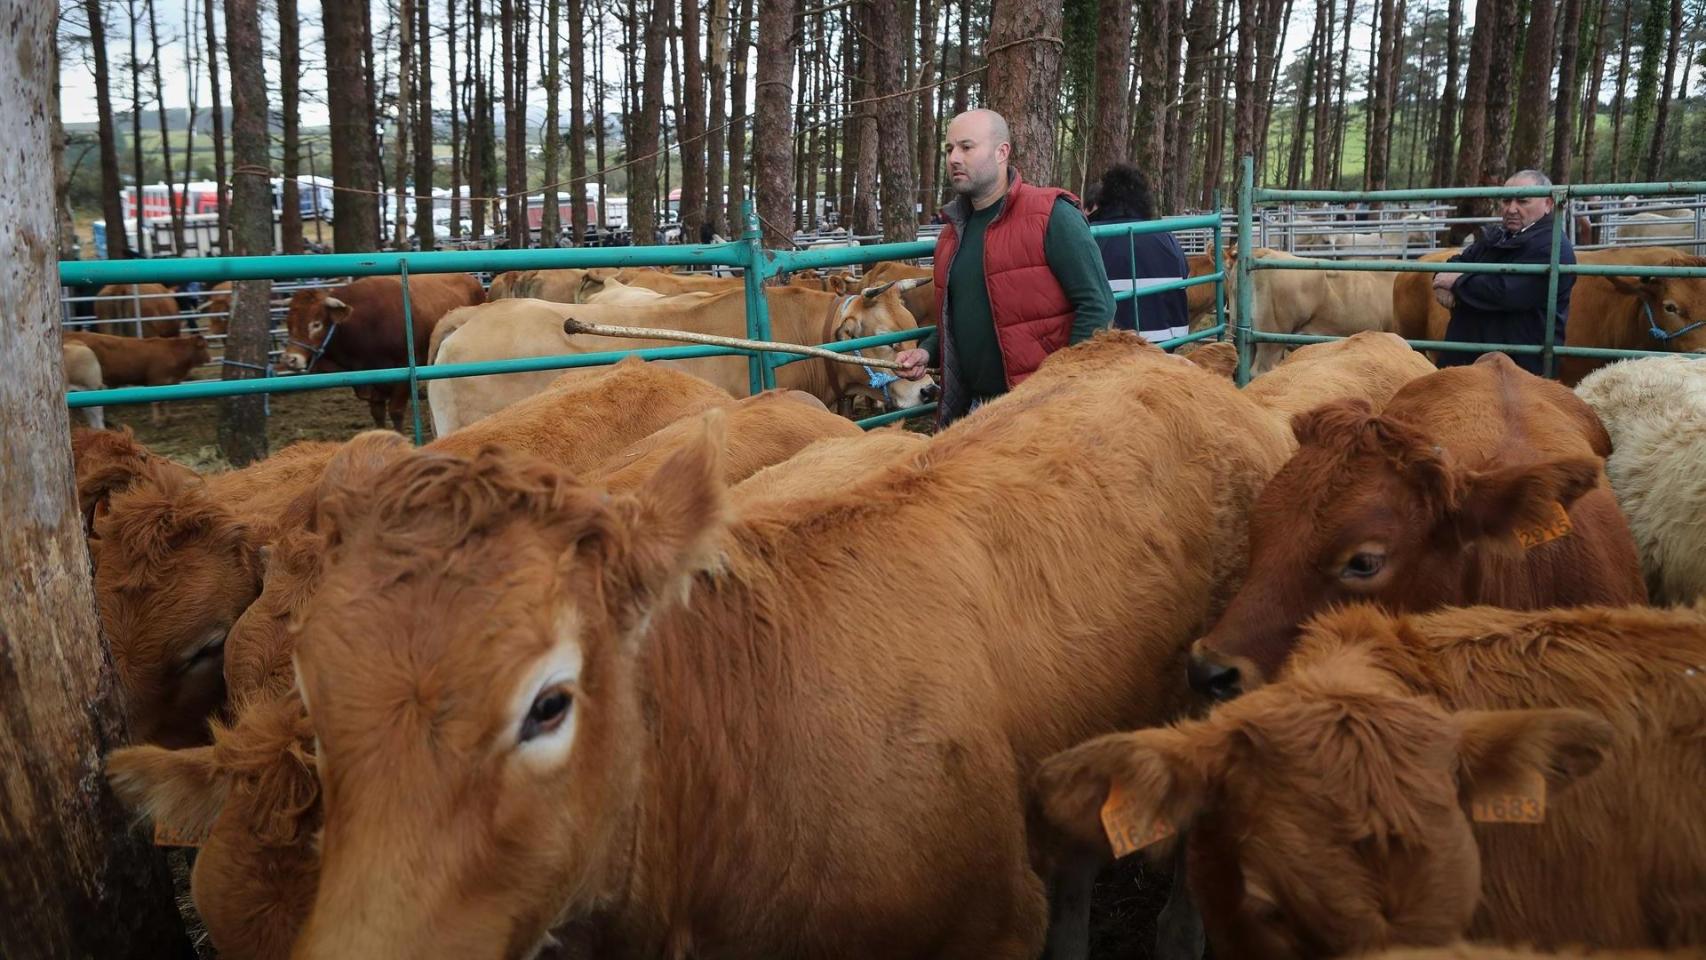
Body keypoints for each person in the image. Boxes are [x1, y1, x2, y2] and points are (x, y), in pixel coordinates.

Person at [894, 109, 1114, 425]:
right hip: (976, 412)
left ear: (1002, 152)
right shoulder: (951, 235)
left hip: (1044, 412)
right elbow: (960, 317)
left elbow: (1097, 305)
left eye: (966, 147)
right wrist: (927, 351)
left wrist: (1061, 389)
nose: (954, 158)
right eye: (949, 149)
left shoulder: (1051, 215)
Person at [1430, 169, 1575, 375]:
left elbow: (1506, 292)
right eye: (1506, 201)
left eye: (1523, 201)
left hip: (1516, 370)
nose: (1511, 209)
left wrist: (1456, 283)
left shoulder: (1553, 248)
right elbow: (1456, 262)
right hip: (1473, 360)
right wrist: (1440, 279)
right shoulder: (1498, 236)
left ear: (1548, 204)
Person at [1085, 162, 1190, 342]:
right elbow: (1184, 280)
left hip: (1107, 349)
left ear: (1104, 198)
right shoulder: (1167, 238)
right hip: (1164, 345)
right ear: (1145, 198)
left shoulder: (1089, 237)